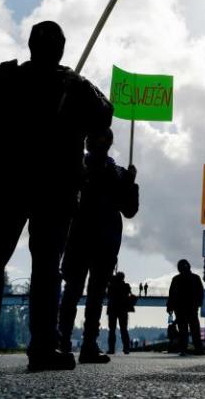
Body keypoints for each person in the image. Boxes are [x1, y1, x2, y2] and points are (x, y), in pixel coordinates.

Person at [0, 21, 113, 374]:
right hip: (29, 188)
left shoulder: (17, 82)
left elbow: (101, 120)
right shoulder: (19, 82)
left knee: (2, 268)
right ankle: (34, 347)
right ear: (54, 48)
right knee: (31, 269)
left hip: (25, 188)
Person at [58, 128, 139, 364]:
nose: (98, 142)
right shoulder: (79, 166)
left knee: (90, 294)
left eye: (103, 138)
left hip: (101, 240)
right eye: (95, 138)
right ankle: (65, 341)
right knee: (77, 291)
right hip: (83, 237)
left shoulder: (119, 173)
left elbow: (129, 209)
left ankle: (86, 343)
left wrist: (131, 185)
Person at [167, 259, 205, 356]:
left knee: (183, 329)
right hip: (192, 307)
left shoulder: (176, 279)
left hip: (179, 308)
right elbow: (200, 292)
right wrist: (198, 303)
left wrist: (170, 307)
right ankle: (198, 348)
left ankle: (183, 349)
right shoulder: (195, 278)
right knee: (195, 328)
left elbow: (171, 294)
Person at [106, 273, 134, 355]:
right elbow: (129, 293)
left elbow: (108, 295)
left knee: (112, 330)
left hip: (112, 309)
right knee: (124, 330)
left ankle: (111, 349)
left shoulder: (111, 286)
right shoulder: (126, 286)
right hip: (123, 310)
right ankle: (126, 348)